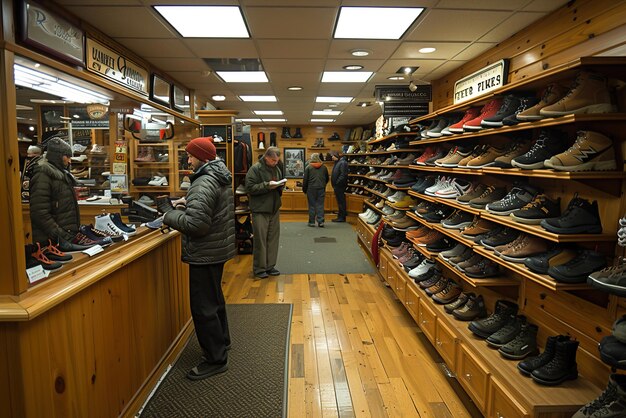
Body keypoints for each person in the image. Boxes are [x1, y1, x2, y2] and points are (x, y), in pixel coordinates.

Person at [162, 136, 236, 380]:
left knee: (203, 307)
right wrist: (187, 203)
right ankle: (222, 342)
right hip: (216, 249)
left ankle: (215, 359)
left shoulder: (203, 181)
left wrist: (169, 214)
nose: (188, 159)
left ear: (202, 157)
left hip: (204, 252)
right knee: (214, 299)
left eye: (191, 155)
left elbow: (196, 225)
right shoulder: (219, 174)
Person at [29, 137, 80, 245]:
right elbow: (40, 213)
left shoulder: (60, 173)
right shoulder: (42, 174)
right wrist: (60, 236)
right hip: (51, 243)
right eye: (67, 156)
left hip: (62, 239)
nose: (69, 160)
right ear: (59, 156)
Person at [245, 146, 284, 279]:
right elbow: (249, 188)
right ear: (266, 157)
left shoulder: (277, 168)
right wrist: (267, 186)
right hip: (260, 209)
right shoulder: (255, 169)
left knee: (273, 239)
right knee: (260, 240)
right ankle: (259, 268)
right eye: (273, 160)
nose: (275, 162)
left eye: (277, 160)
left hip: (274, 208)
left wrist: (279, 185)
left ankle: (270, 266)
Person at [302, 153, 329, 227]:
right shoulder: (324, 167)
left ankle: (311, 222)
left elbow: (305, 180)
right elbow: (327, 178)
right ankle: (321, 221)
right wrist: (323, 185)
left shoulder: (308, 167)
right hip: (321, 188)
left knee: (312, 205)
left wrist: (304, 189)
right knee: (320, 205)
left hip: (311, 189)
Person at [330, 149, 348, 222]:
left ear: (336, 155)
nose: (331, 157)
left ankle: (342, 217)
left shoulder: (342, 163)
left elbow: (343, 175)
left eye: (332, 156)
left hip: (340, 186)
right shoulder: (337, 162)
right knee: (340, 201)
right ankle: (340, 215)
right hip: (337, 186)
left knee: (341, 202)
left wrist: (337, 183)